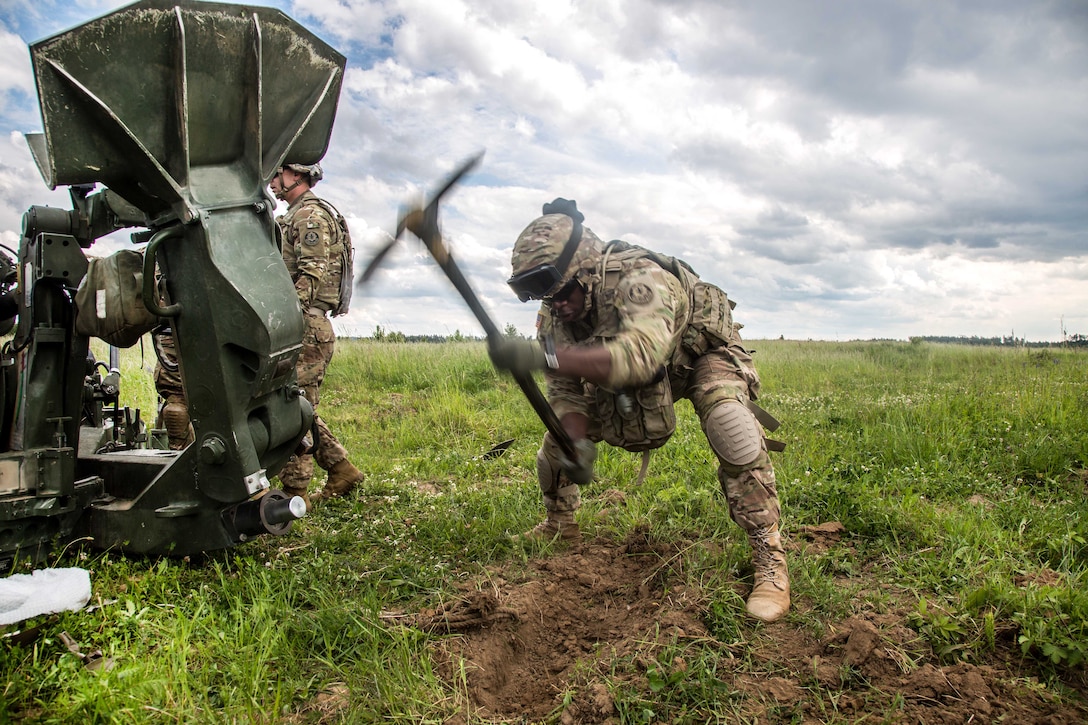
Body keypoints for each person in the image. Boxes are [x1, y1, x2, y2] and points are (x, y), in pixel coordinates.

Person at [488, 199, 790, 622]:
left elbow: (639, 358)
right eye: (541, 295)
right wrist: (574, 438)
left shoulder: (641, 280)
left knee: (729, 423)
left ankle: (769, 557)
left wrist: (546, 357)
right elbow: (566, 392)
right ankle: (561, 525)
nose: (555, 304)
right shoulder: (557, 313)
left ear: (587, 271)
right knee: (555, 440)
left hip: (694, 356)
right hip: (621, 369)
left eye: (562, 291)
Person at [269, 162, 363, 506]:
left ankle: (295, 494)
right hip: (302, 324)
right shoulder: (296, 214)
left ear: (295, 175)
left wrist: (288, 320)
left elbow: (311, 272)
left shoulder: (308, 216)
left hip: (303, 326)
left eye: (277, 174)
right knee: (296, 407)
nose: (272, 181)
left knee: (292, 410)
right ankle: (341, 470)